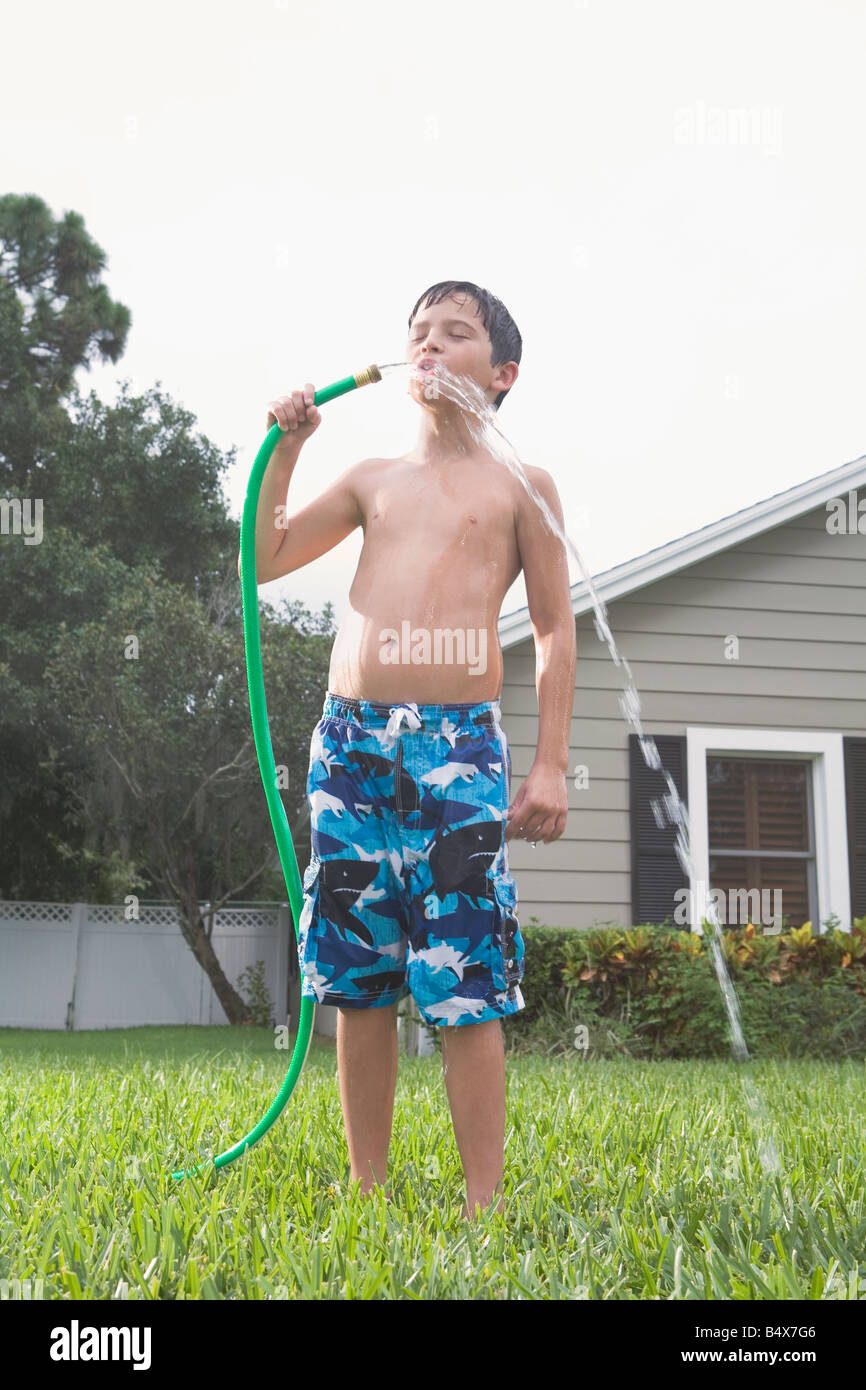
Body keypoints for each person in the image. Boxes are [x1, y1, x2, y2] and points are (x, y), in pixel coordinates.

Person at [242, 280, 575, 1221]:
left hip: (455, 747)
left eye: (454, 334)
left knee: (464, 975)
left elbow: (554, 629)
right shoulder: (370, 478)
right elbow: (265, 557)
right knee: (358, 976)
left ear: (502, 373)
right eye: (418, 333)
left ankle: (483, 1203)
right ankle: (370, 1188)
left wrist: (550, 763)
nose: (427, 347)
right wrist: (290, 448)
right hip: (349, 744)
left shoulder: (520, 487)